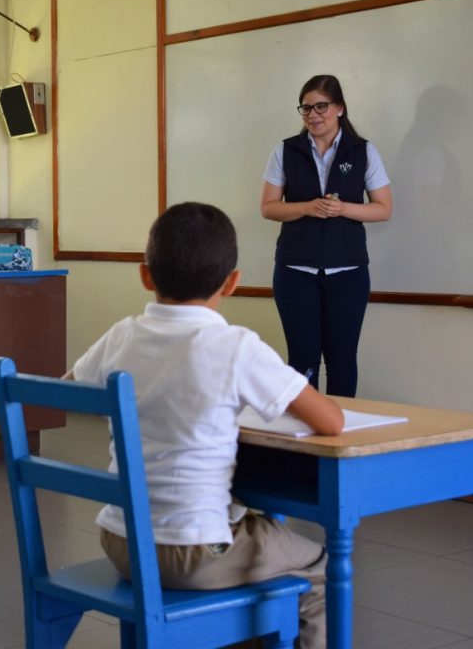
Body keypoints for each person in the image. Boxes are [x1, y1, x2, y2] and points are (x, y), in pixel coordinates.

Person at [68, 201, 344, 648]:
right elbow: (330, 421)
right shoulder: (235, 346)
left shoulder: (122, 334)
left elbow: (66, 388)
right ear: (232, 282)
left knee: (247, 534)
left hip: (120, 542)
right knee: (318, 566)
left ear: (146, 276)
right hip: (193, 553)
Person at [260, 74, 392, 397]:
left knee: (342, 359)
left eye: (321, 107)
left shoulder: (362, 151)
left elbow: (383, 208)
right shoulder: (285, 150)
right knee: (301, 360)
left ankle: (340, 427)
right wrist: (306, 207)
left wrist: (343, 208)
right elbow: (268, 207)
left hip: (348, 272)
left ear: (340, 108)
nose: (313, 115)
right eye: (306, 108)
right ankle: (305, 427)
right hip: (295, 271)